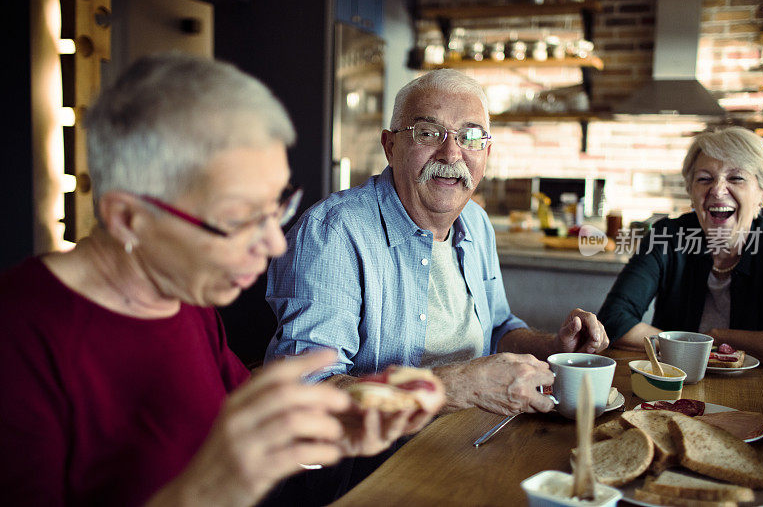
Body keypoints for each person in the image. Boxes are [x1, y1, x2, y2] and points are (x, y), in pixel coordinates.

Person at [0, 54, 440, 507]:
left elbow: (245, 427)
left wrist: (332, 429)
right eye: (238, 219)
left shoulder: (182, 295)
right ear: (128, 219)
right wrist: (209, 489)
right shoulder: (19, 339)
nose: (274, 243)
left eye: (277, 207)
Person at [265, 68, 608, 417]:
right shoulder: (333, 233)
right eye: (428, 133)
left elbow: (498, 328)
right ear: (390, 146)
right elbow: (306, 392)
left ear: (486, 153)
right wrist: (455, 387)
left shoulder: (476, 222)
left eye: (470, 137)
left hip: (476, 435)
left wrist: (555, 346)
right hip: (383, 461)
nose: (451, 154)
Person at [598, 127, 763, 368]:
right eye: (704, 179)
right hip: (671, 375)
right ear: (691, 193)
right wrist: (701, 348)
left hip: (757, 387)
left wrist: (718, 336)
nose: (717, 190)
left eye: (736, 178)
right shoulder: (667, 236)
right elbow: (613, 320)